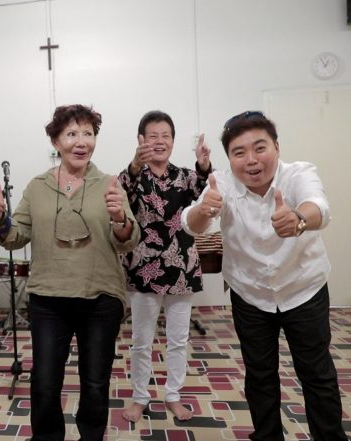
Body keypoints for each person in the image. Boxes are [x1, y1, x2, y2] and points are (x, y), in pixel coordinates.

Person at [182, 111, 348, 441]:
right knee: (259, 375)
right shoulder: (223, 183)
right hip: (250, 292)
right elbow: (190, 222)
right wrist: (203, 210)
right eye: (239, 152)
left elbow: (320, 206)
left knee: (316, 372)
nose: (252, 160)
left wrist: (299, 219)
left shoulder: (299, 173)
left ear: (277, 146)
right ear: (229, 158)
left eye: (260, 148)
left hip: (303, 288)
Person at [0, 105, 139, 441]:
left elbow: (127, 240)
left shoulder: (110, 183)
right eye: (72, 134)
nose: (81, 141)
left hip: (100, 295)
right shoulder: (37, 186)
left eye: (88, 133)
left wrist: (119, 219)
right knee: (43, 382)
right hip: (48, 298)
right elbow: (16, 236)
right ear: (56, 141)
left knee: (96, 382)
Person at [118, 110, 211, 422]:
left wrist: (203, 163)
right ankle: (140, 397)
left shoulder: (185, 176)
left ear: (172, 141)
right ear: (141, 140)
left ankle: (173, 394)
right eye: (153, 136)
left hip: (182, 268)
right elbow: (123, 193)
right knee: (141, 341)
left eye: (166, 136)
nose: (160, 142)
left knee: (178, 340)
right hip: (144, 268)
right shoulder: (132, 177)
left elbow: (204, 190)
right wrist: (135, 164)